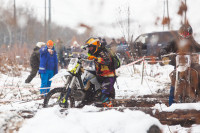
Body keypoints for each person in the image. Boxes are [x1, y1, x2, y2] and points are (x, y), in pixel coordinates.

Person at [160, 24, 200, 106]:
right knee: (174, 79)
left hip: (192, 65)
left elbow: (198, 47)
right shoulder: (175, 41)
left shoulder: (192, 42)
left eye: (187, 34)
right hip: (179, 65)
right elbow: (166, 47)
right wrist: (163, 51)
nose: (185, 36)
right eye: (183, 33)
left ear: (190, 34)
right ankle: (171, 104)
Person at [85, 37, 116, 107]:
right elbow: (89, 55)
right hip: (101, 75)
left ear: (95, 46)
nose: (90, 49)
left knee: (102, 95)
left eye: (91, 47)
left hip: (108, 76)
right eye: (89, 48)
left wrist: (96, 58)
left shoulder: (103, 52)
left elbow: (107, 61)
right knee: (96, 92)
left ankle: (110, 108)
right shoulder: (96, 52)